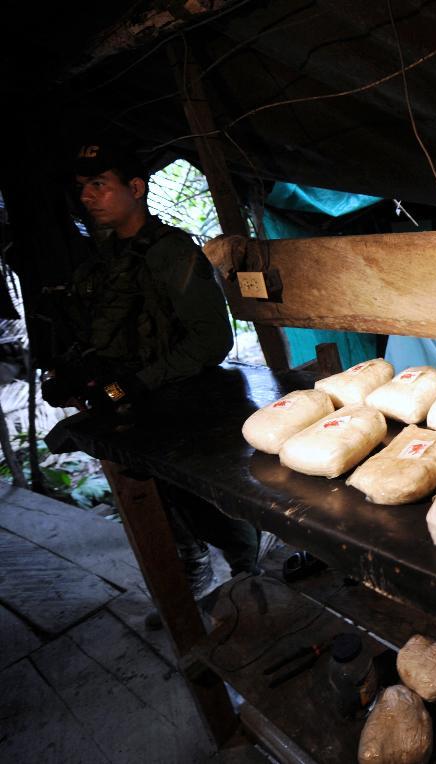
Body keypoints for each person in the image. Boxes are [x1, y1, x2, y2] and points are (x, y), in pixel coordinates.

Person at [42, 139, 262, 621]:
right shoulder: (103, 261)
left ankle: (255, 586)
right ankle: (195, 588)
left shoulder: (172, 252)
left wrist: (140, 381)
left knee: (217, 510)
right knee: (169, 508)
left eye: (100, 185)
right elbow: (107, 332)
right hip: (143, 410)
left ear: (136, 188)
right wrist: (75, 370)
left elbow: (211, 342)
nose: (87, 196)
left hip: (193, 407)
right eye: (83, 187)